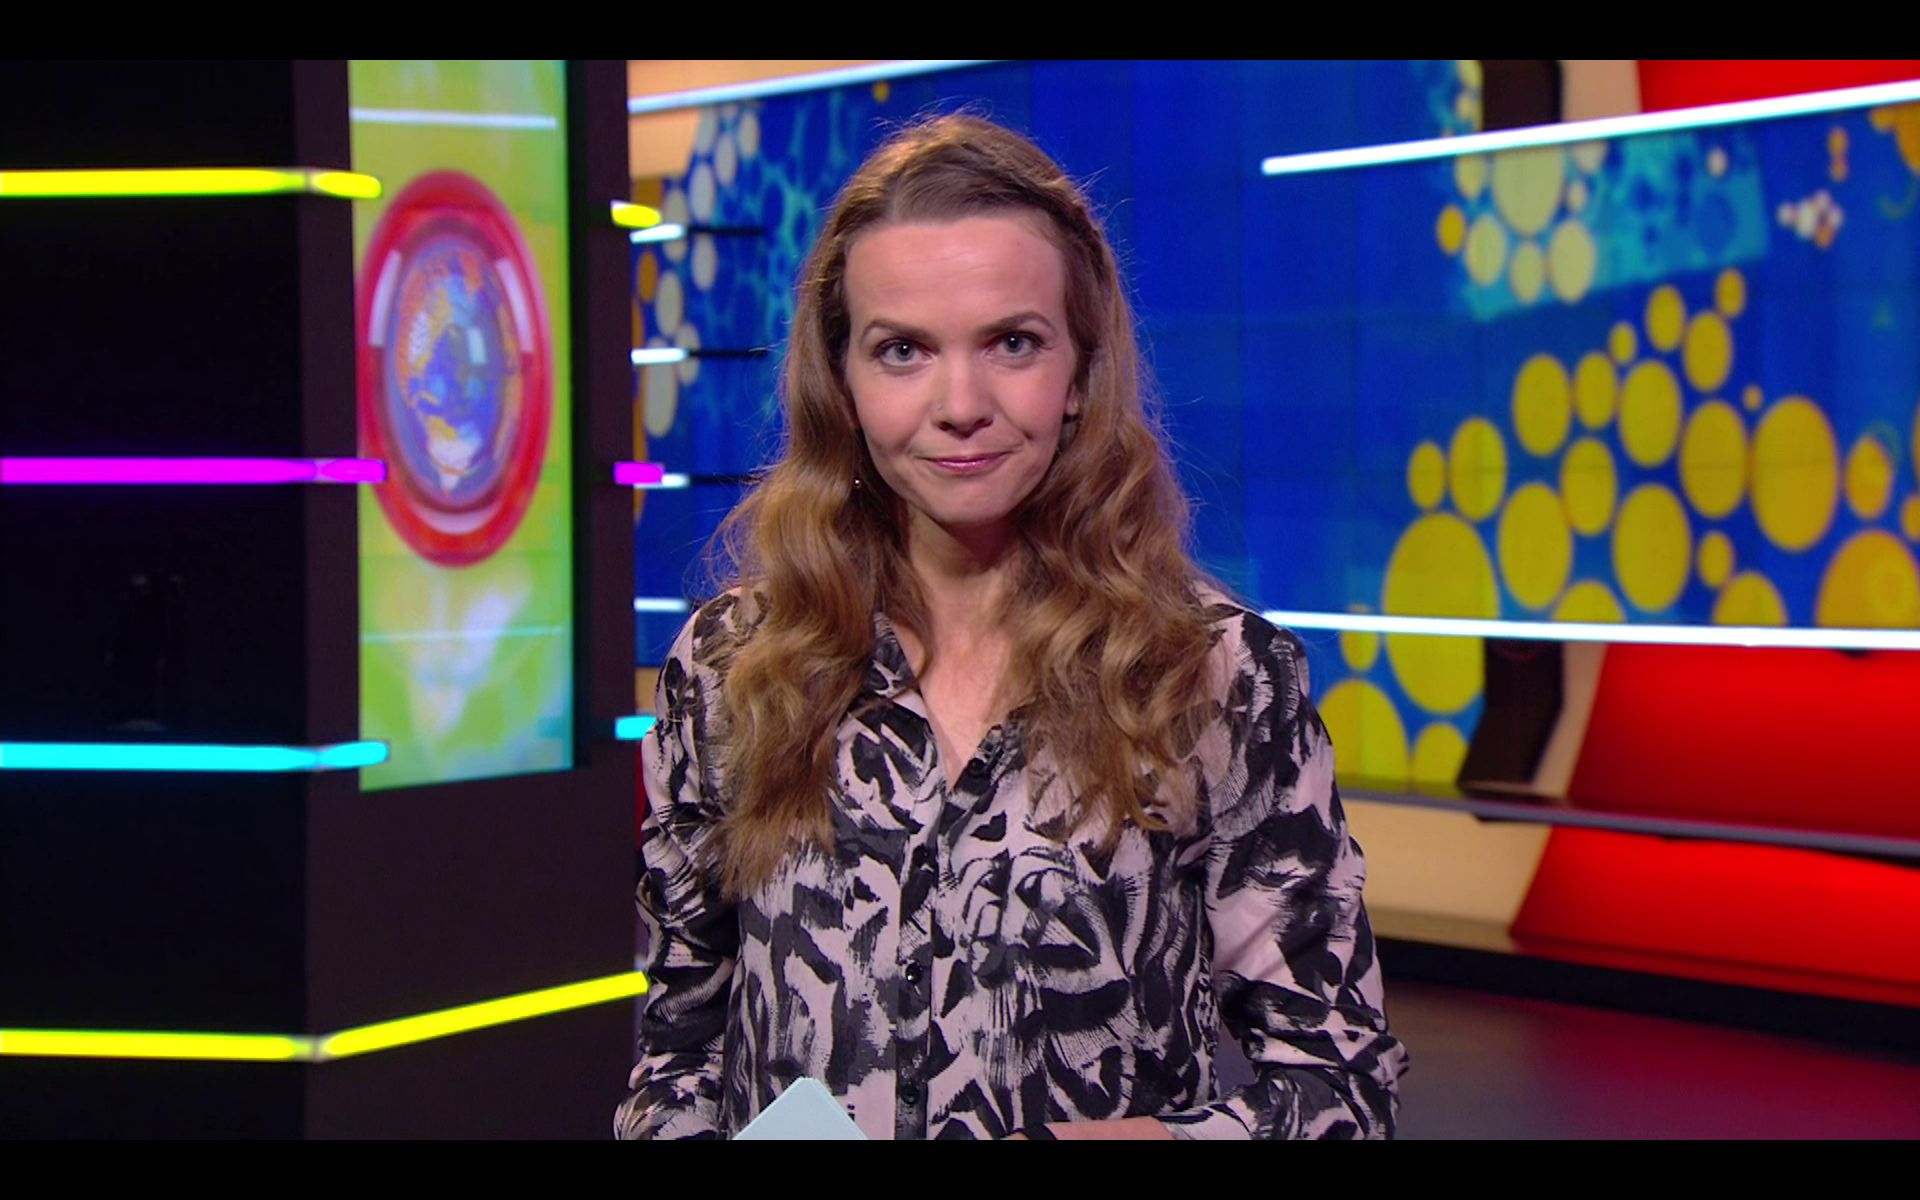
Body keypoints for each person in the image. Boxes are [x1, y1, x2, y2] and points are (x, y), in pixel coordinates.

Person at [616, 113, 1407, 1141]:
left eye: (1013, 343)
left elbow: (1342, 1086)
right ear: (842, 382)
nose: (961, 404)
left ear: (1081, 372)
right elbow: (677, 1059)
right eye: (902, 350)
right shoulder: (731, 667)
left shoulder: (1214, 675)